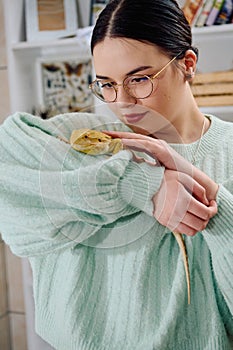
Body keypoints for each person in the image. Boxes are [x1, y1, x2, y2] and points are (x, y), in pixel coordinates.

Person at [0, 0, 233, 349]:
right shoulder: (91, 137)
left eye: (139, 79)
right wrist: (139, 184)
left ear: (187, 65)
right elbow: (9, 157)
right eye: (106, 84)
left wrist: (213, 199)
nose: (122, 102)